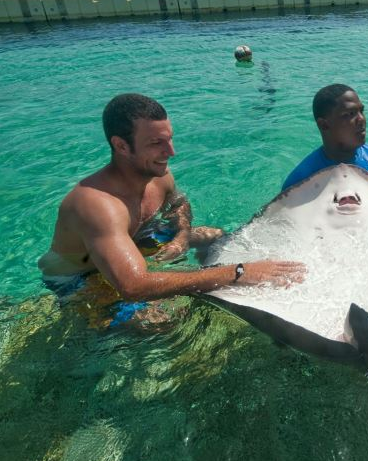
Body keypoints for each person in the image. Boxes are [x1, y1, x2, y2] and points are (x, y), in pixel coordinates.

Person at [39, 93, 306, 329]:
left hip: (143, 241)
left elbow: (179, 204)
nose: (171, 152)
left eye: (170, 139)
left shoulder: (158, 174)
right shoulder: (97, 205)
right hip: (84, 278)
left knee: (217, 235)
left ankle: (208, 282)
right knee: (162, 324)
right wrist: (238, 273)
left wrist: (181, 235)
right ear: (121, 145)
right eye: (156, 143)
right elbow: (134, 286)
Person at [283, 84, 368, 190]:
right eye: (350, 114)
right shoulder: (300, 180)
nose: (361, 119)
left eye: (361, 111)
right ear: (324, 125)